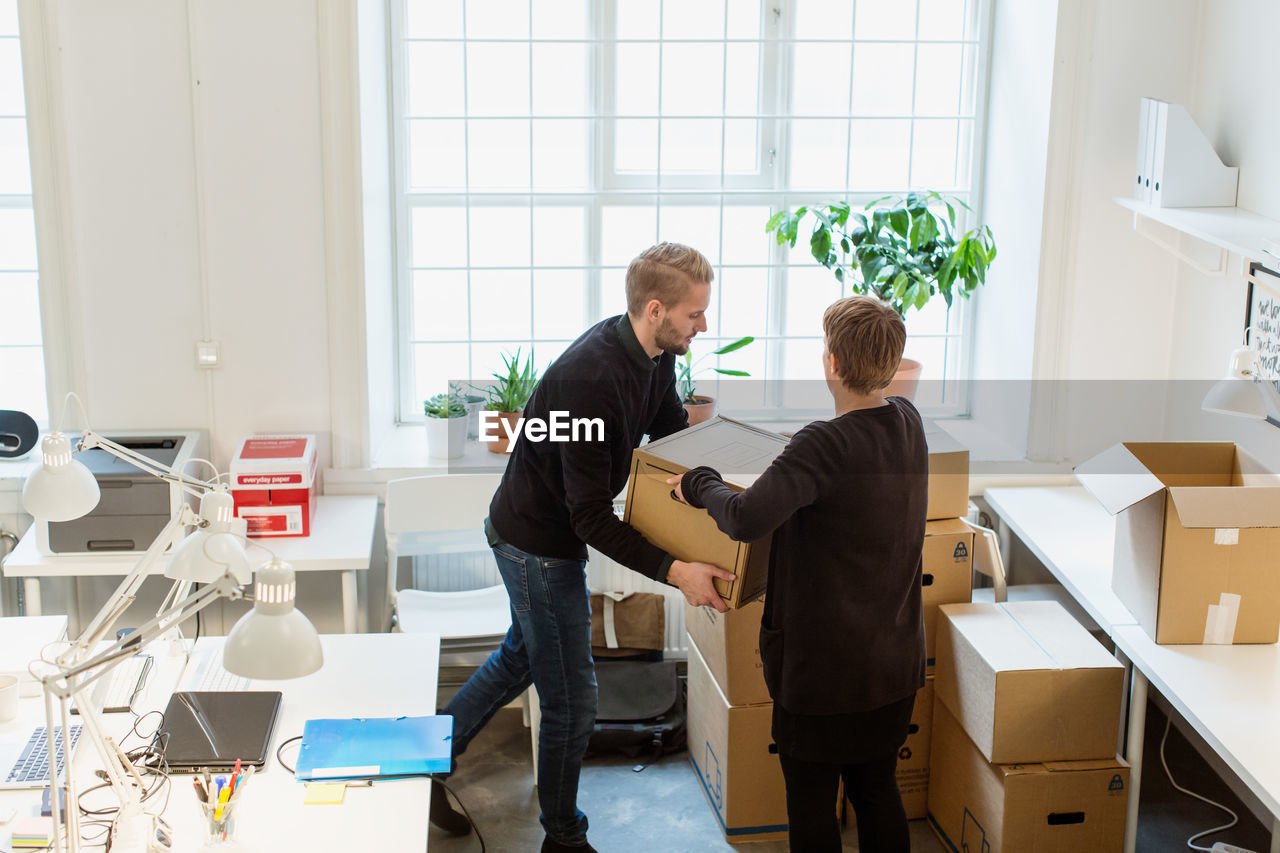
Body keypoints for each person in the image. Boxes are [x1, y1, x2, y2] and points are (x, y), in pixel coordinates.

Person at [431, 242, 737, 852]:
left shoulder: (651, 355)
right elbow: (592, 517)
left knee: (521, 657)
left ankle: (427, 761)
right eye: (695, 314)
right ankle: (563, 838)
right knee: (573, 701)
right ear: (656, 310)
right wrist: (676, 570)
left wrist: (730, 479)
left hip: (544, 534)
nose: (703, 325)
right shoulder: (589, 381)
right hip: (535, 547)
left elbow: (667, 431)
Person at [668, 295, 927, 853]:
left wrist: (698, 483)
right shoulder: (907, 421)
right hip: (893, 662)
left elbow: (743, 518)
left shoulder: (822, 444)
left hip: (823, 672)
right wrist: (797, 459)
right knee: (877, 789)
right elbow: (849, 478)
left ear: (831, 362)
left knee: (811, 799)